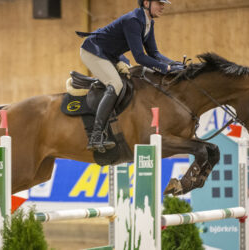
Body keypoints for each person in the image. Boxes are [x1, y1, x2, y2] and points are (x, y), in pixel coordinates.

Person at [78, 0, 184, 152]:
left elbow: (154, 53)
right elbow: (140, 57)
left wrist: (175, 65)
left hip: (111, 55)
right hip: (93, 51)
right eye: (159, 3)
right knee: (116, 84)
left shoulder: (148, 23)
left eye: (164, 3)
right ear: (146, 2)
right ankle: (96, 135)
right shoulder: (133, 21)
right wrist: (165, 69)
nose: (163, 6)